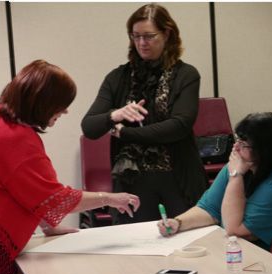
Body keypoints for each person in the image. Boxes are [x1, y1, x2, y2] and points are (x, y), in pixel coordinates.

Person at [0, 59, 140, 274]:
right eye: (61, 104)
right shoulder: (17, 138)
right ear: (43, 103)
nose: (66, 111)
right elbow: (55, 198)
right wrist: (109, 198)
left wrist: (48, 225)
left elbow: (27, 192)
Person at [81, 4, 208, 224]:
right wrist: (115, 114)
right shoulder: (117, 77)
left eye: (149, 36)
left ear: (167, 34)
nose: (141, 43)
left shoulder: (186, 75)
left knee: (188, 246)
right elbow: (89, 127)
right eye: (136, 36)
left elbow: (179, 126)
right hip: (133, 182)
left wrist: (124, 134)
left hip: (177, 179)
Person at [157, 112, 272, 250]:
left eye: (244, 144)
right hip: (250, 255)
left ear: (264, 150)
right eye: (237, 139)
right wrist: (178, 223)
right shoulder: (242, 164)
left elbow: (234, 231)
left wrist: (235, 176)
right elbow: (209, 208)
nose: (236, 147)